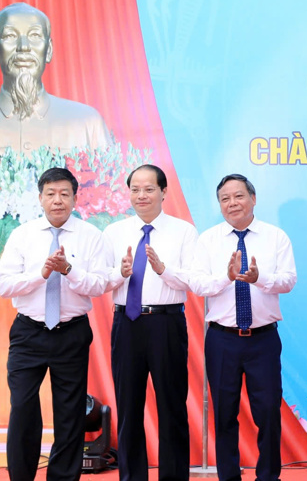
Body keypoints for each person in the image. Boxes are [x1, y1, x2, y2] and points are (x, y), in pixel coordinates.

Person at [0, 167, 110, 481]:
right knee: (22, 409)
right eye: (51, 194)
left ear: (75, 198)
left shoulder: (91, 236)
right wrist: (41, 274)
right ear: (41, 198)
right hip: (28, 332)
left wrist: (69, 269)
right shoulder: (23, 235)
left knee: (70, 414)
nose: (58, 200)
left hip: (71, 332)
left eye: (64, 194)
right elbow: (3, 285)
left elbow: (99, 285)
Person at [186, 174, 296, 481]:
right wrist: (228, 276)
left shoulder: (276, 237)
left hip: (263, 339)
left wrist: (259, 278)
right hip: (223, 340)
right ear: (219, 204)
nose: (232, 203)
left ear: (253, 198)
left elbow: (288, 280)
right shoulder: (207, 240)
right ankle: (229, 477)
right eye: (225, 198)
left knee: (268, 414)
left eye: (239, 196)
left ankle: (268, 476)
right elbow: (198, 284)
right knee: (224, 415)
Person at [101, 164, 197, 481]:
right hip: (126, 325)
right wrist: (121, 273)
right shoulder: (113, 232)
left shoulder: (183, 231)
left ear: (164, 192)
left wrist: (163, 269)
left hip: (166, 324)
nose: (142, 195)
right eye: (136, 189)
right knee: (128, 408)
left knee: (172, 406)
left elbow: (194, 280)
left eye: (149, 189)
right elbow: (99, 281)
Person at [0, 2, 114, 154]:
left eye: (35, 36)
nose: (24, 47)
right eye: (10, 36)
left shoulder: (87, 122)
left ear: (49, 50)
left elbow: (112, 191)